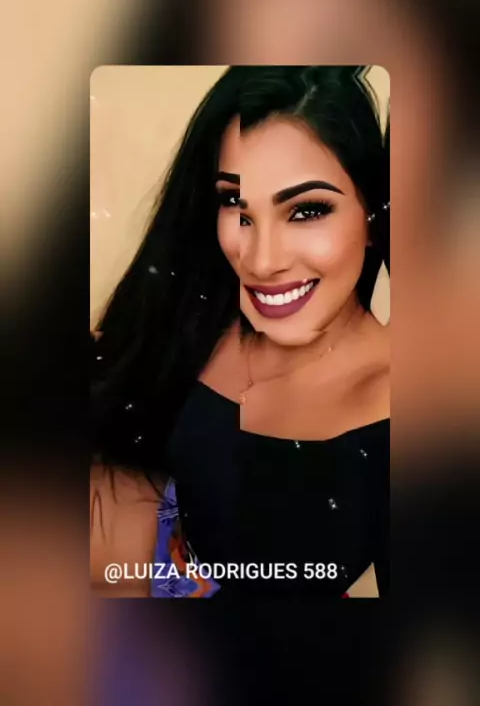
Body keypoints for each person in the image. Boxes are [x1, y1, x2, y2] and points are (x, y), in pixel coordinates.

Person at [90, 65, 389, 597]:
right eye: (235, 203)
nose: (261, 261)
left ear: (373, 217)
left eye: (307, 210)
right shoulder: (193, 310)